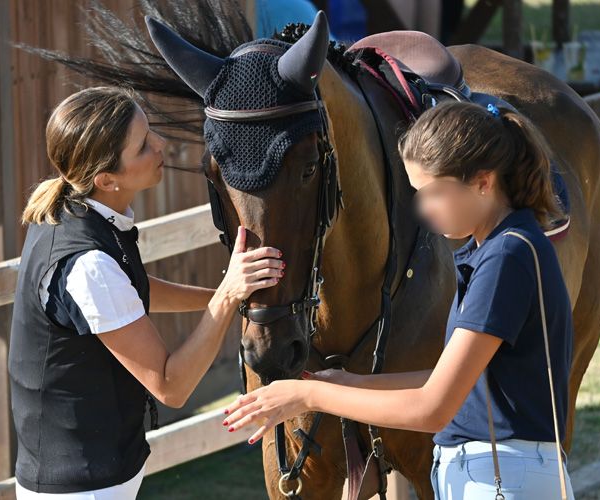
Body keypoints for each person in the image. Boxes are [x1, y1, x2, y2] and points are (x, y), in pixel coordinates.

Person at [222, 100, 576, 499]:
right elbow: (451, 380)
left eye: (433, 192)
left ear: (483, 181)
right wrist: (355, 383)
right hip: (499, 472)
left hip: (502, 476)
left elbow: (434, 408)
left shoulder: (505, 259)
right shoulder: (498, 249)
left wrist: (308, 395)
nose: (422, 209)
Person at [8, 86, 286, 499]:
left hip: (96, 473)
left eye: (150, 131)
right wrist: (227, 297)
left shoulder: (73, 211)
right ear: (106, 179)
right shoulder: (88, 267)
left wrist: (226, 293)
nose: (160, 145)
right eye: (142, 146)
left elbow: (130, 293)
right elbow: (171, 386)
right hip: (82, 488)